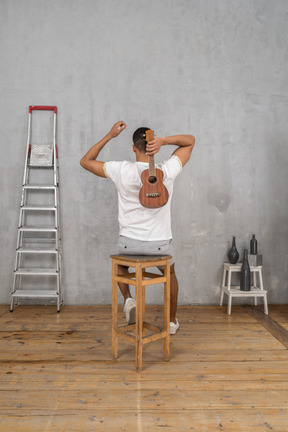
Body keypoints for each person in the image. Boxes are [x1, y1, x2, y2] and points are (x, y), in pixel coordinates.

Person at [80, 121, 195, 334]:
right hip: (160, 245)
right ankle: (170, 322)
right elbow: (190, 142)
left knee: (120, 267)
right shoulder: (166, 170)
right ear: (153, 145)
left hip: (128, 244)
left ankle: (129, 299)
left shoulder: (121, 170)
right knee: (170, 273)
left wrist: (109, 135)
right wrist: (165, 141)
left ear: (133, 147)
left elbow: (85, 161)